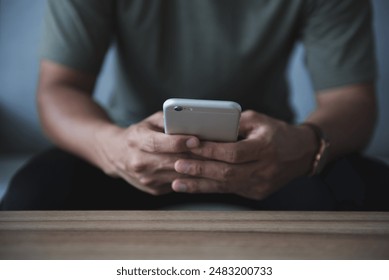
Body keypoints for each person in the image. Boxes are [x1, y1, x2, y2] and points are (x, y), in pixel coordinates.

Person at [1, 0, 388, 211]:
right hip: (129, 151)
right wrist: (113, 148)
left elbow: (351, 101)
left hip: (271, 157)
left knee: (372, 192)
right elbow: (58, 89)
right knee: (31, 199)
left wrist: (302, 145)